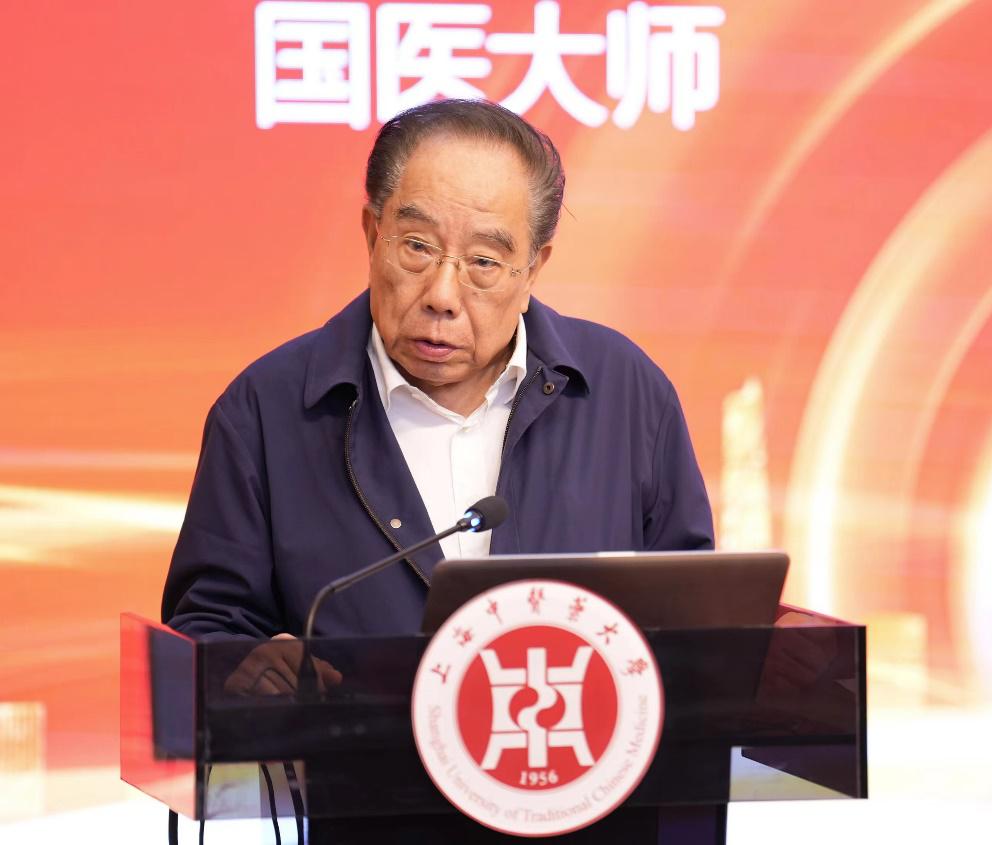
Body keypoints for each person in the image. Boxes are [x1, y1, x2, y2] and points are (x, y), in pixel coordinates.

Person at [161, 99, 713, 644]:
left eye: (484, 262)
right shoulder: (265, 412)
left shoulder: (626, 395)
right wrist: (264, 670)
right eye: (417, 247)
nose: (442, 296)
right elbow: (207, 630)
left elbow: (698, 620)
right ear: (372, 236)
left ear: (531, 271)